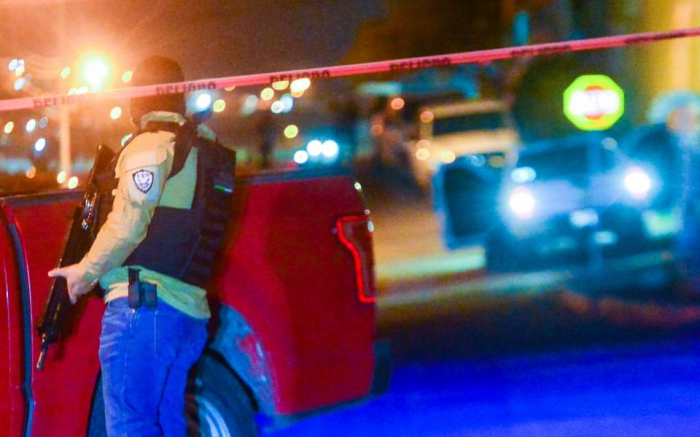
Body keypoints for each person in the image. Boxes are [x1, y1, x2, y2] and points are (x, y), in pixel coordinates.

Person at [48, 56, 234, 436]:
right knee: (166, 423)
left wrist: (84, 273)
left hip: (144, 309)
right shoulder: (200, 149)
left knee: (130, 425)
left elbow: (129, 223)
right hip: (185, 313)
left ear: (139, 97)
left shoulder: (151, 146)